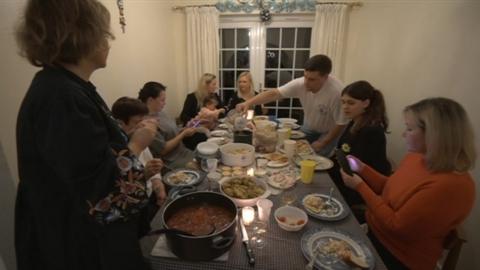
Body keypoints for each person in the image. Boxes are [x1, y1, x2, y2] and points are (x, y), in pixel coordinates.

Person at [15, 1, 157, 269]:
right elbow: (101, 193)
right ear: (80, 36)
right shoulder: (61, 97)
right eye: (104, 33)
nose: (109, 42)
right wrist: (137, 146)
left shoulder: (69, 87)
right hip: (77, 246)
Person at [340, 97, 476, 269]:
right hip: (374, 230)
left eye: (410, 129)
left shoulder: (453, 186)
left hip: (397, 255)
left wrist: (359, 186)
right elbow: (390, 187)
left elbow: (395, 225)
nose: (404, 134)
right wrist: (362, 169)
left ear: (434, 135)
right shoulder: (418, 157)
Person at [236, 55, 347, 156]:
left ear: (325, 77)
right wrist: (248, 103)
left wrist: (323, 142)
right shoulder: (300, 83)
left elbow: (341, 123)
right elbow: (274, 94)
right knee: (295, 150)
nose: (306, 83)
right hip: (311, 124)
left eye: (312, 79)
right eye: (305, 77)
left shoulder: (337, 92)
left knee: (318, 158)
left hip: (331, 129)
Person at [328, 81, 391, 219]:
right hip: (347, 175)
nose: (345, 107)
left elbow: (355, 166)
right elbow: (342, 153)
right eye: (343, 102)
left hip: (361, 186)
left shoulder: (371, 131)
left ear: (366, 103)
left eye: (351, 103)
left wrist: (328, 170)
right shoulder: (355, 120)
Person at [111, 97, 166, 206]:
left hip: (152, 193)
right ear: (120, 123)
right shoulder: (117, 152)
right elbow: (121, 191)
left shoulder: (138, 138)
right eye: (137, 122)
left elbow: (153, 169)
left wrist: (158, 184)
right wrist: (145, 174)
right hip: (137, 202)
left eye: (143, 120)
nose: (143, 125)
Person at [138, 82, 196, 169]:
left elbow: (171, 132)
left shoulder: (160, 112)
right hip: (170, 161)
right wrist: (183, 134)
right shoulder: (147, 123)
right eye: (162, 100)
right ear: (150, 100)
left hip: (182, 151)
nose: (164, 103)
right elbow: (163, 150)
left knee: (207, 159)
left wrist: (184, 129)